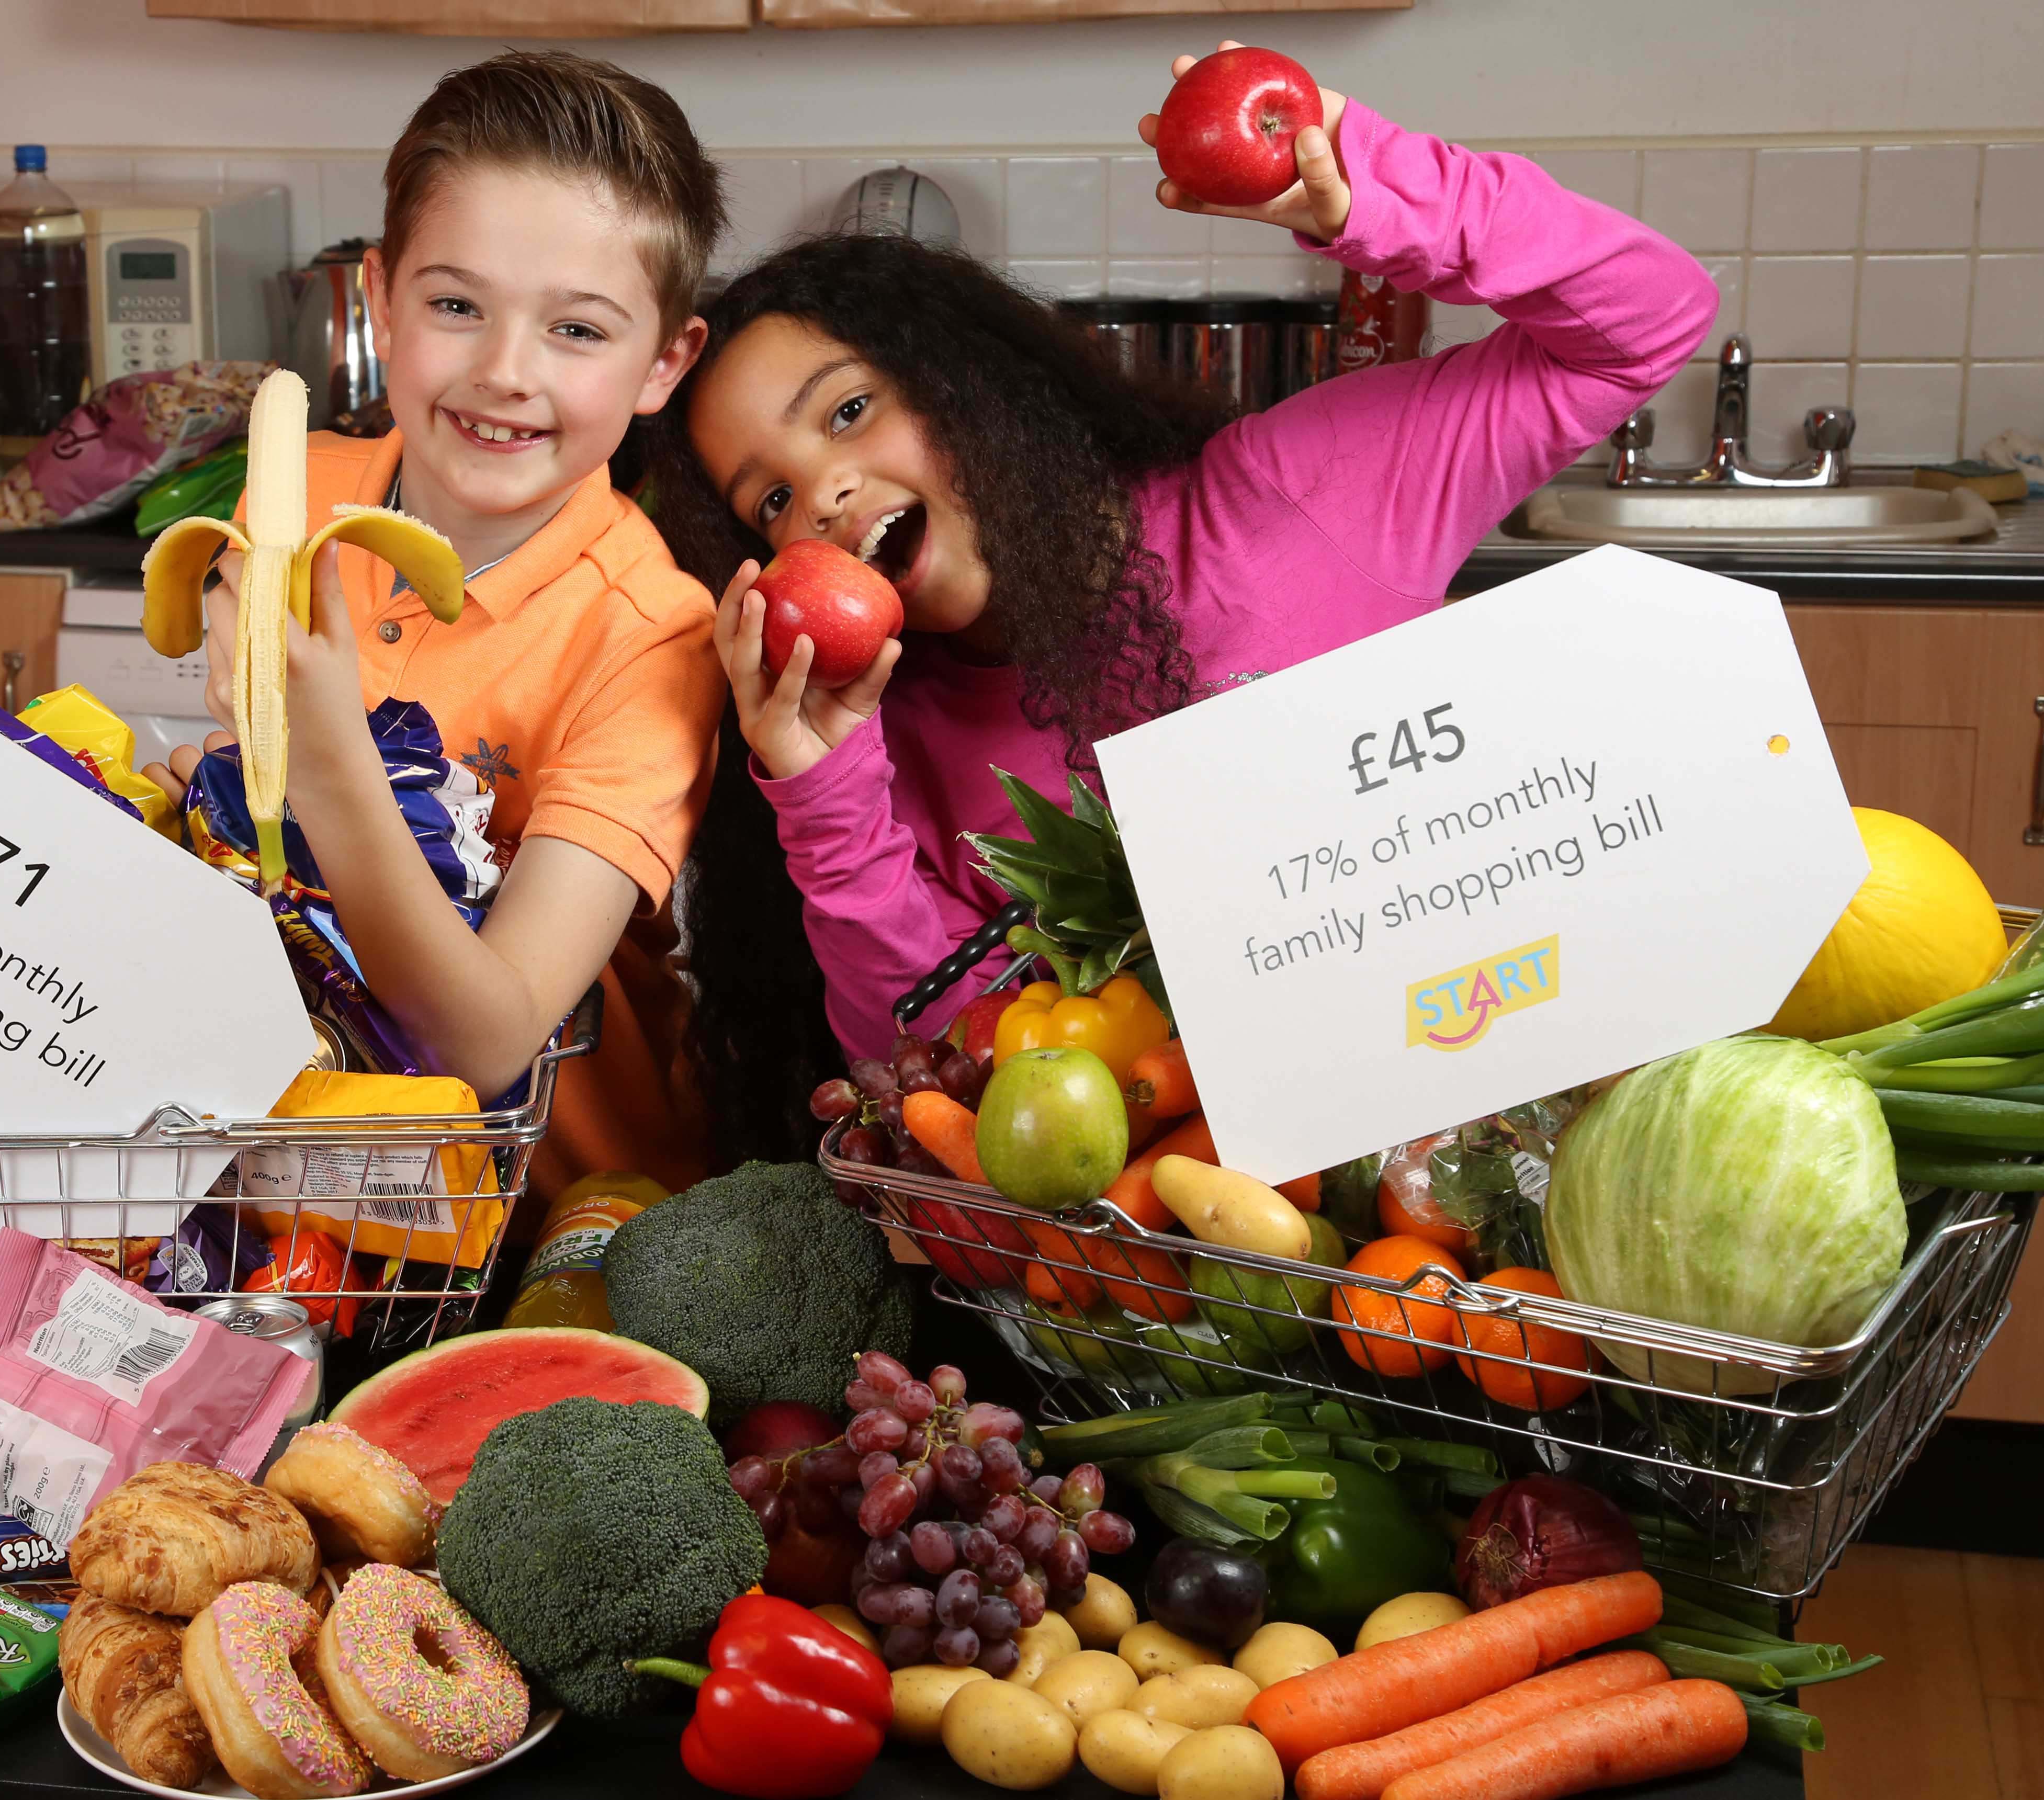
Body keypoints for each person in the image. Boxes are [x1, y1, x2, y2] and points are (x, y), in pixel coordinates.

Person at [645, 44, 1720, 1167]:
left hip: (1509, 1156)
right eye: (769, 498)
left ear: (967, 386)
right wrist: (825, 794)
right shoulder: (886, 737)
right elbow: (934, 1084)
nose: (819, 494)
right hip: (1201, 1272)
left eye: (851, 410)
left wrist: (1379, 185)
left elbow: (1649, 320)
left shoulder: (1293, 498)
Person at [146, 51, 728, 1195]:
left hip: (554, 1214)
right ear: (380, 302)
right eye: (457, 307)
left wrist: (324, 761)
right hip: (304, 1176)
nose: (506, 373)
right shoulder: (295, 495)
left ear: (665, 362)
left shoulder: (655, 634)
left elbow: (488, 1039)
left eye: (578, 331)